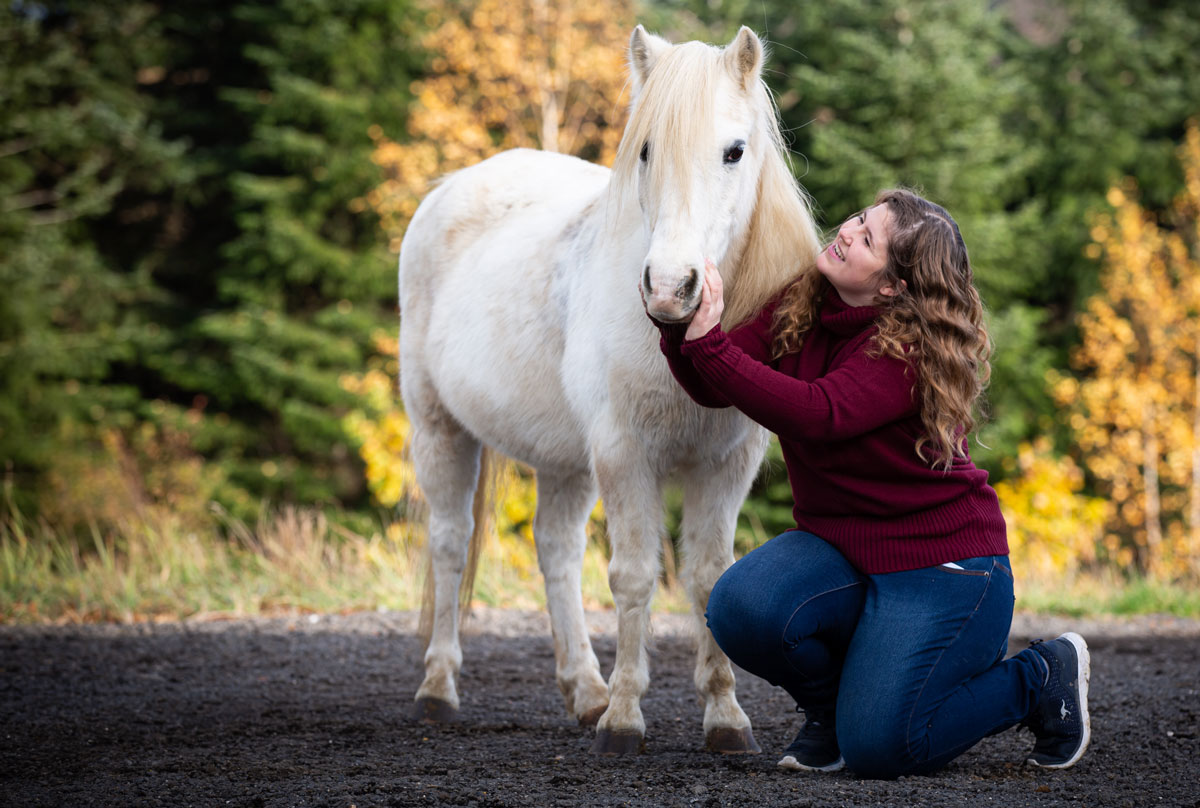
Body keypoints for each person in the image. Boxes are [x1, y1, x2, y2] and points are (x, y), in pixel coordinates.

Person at [646, 189, 1090, 779]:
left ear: (891, 287)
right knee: (741, 607)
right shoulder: (804, 301)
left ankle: (1039, 677)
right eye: (859, 219)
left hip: (942, 569)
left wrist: (708, 344)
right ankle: (832, 714)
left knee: (887, 748)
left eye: (869, 238)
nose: (848, 231)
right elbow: (713, 384)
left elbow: (818, 413)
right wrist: (678, 326)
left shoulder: (911, 347)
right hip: (840, 549)